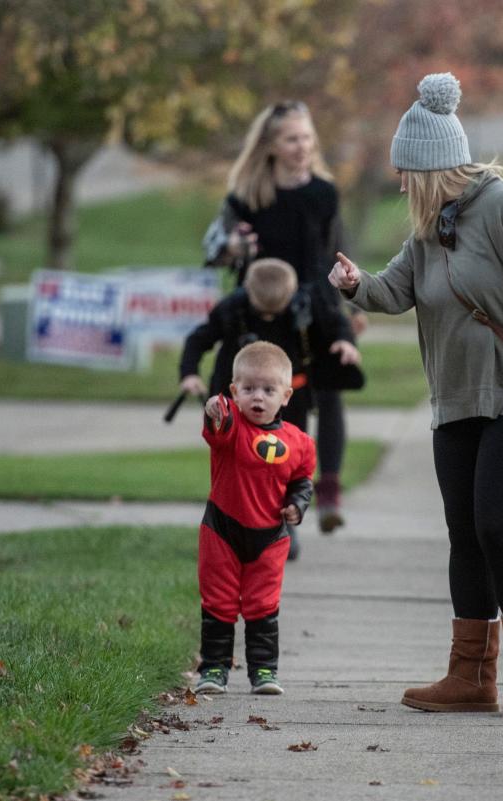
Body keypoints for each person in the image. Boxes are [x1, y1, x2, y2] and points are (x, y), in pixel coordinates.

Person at [328, 73, 503, 714]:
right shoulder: (431, 227)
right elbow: (396, 291)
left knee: (497, 526)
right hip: (457, 402)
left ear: (429, 167)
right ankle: (470, 677)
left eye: (405, 171)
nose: (398, 183)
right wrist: (353, 284)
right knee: (463, 534)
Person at [204, 100, 360, 534]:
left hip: (317, 308)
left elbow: (336, 250)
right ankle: (273, 515)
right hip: (263, 312)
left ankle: (327, 489)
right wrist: (232, 249)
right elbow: (215, 247)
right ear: (271, 145)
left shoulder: (324, 193)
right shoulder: (248, 195)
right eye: (292, 139)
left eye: (307, 138)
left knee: (328, 392)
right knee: (267, 407)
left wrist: (349, 308)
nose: (302, 146)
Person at [192, 341, 316, 696]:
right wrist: (215, 411)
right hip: (222, 530)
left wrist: (298, 504)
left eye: (267, 390)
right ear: (234, 391)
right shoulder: (232, 429)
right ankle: (213, 669)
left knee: (263, 604)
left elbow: (302, 480)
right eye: (248, 389)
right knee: (219, 601)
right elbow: (218, 426)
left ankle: (264, 670)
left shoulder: (301, 442)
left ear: (287, 396)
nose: (257, 398)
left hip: (270, 538)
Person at [179, 257, 361, 447]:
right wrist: (189, 373)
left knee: (291, 448)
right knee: (237, 449)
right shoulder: (232, 308)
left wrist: (345, 342)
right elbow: (198, 339)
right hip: (237, 394)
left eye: (276, 310)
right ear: (247, 288)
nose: (268, 317)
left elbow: (336, 323)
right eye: (262, 310)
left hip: (290, 395)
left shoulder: (307, 304)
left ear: (293, 291)